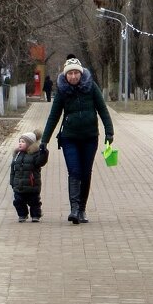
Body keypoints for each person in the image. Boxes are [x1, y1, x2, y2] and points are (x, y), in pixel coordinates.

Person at [41, 55, 114, 224]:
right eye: (70, 73)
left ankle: (82, 209)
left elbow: (103, 110)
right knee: (74, 171)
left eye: (76, 73)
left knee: (86, 173)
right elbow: (53, 117)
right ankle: (74, 208)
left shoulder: (91, 87)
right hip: (70, 138)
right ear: (65, 75)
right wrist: (44, 140)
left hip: (90, 138)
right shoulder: (62, 91)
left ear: (81, 74)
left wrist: (109, 132)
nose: (73, 76)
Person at [9, 131, 48, 223]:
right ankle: (22, 214)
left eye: (23, 142)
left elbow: (41, 162)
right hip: (19, 185)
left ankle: (36, 215)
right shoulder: (17, 155)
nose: (20, 143)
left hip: (32, 184)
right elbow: (13, 170)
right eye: (20, 141)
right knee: (18, 201)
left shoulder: (35, 155)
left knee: (34, 201)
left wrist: (44, 153)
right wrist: (12, 181)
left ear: (30, 144)